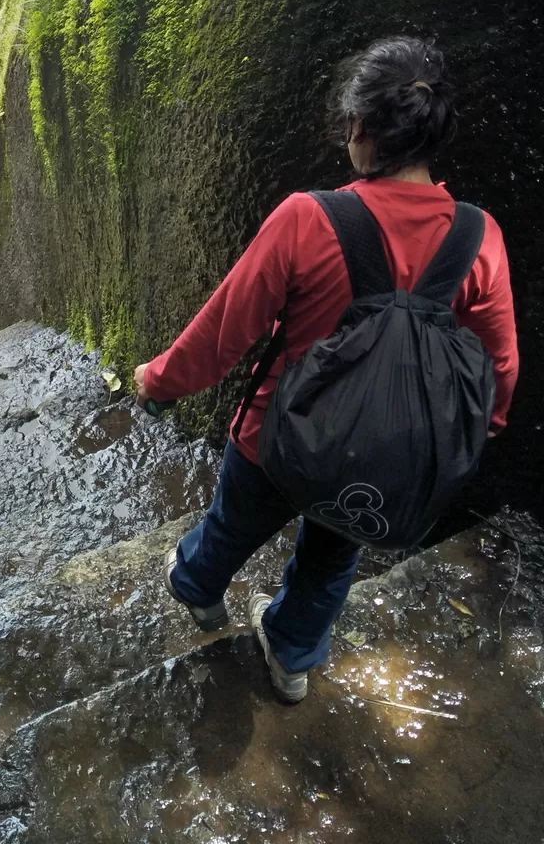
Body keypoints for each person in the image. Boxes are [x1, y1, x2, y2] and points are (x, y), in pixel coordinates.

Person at [132, 37, 518, 702]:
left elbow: (225, 332)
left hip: (277, 435)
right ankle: (291, 660)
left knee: (233, 524)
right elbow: (498, 364)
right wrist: (481, 429)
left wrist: (159, 381)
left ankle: (196, 587)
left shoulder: (307, 220)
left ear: (360, 126)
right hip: (382, 455)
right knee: (332, 558)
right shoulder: (478, 237)